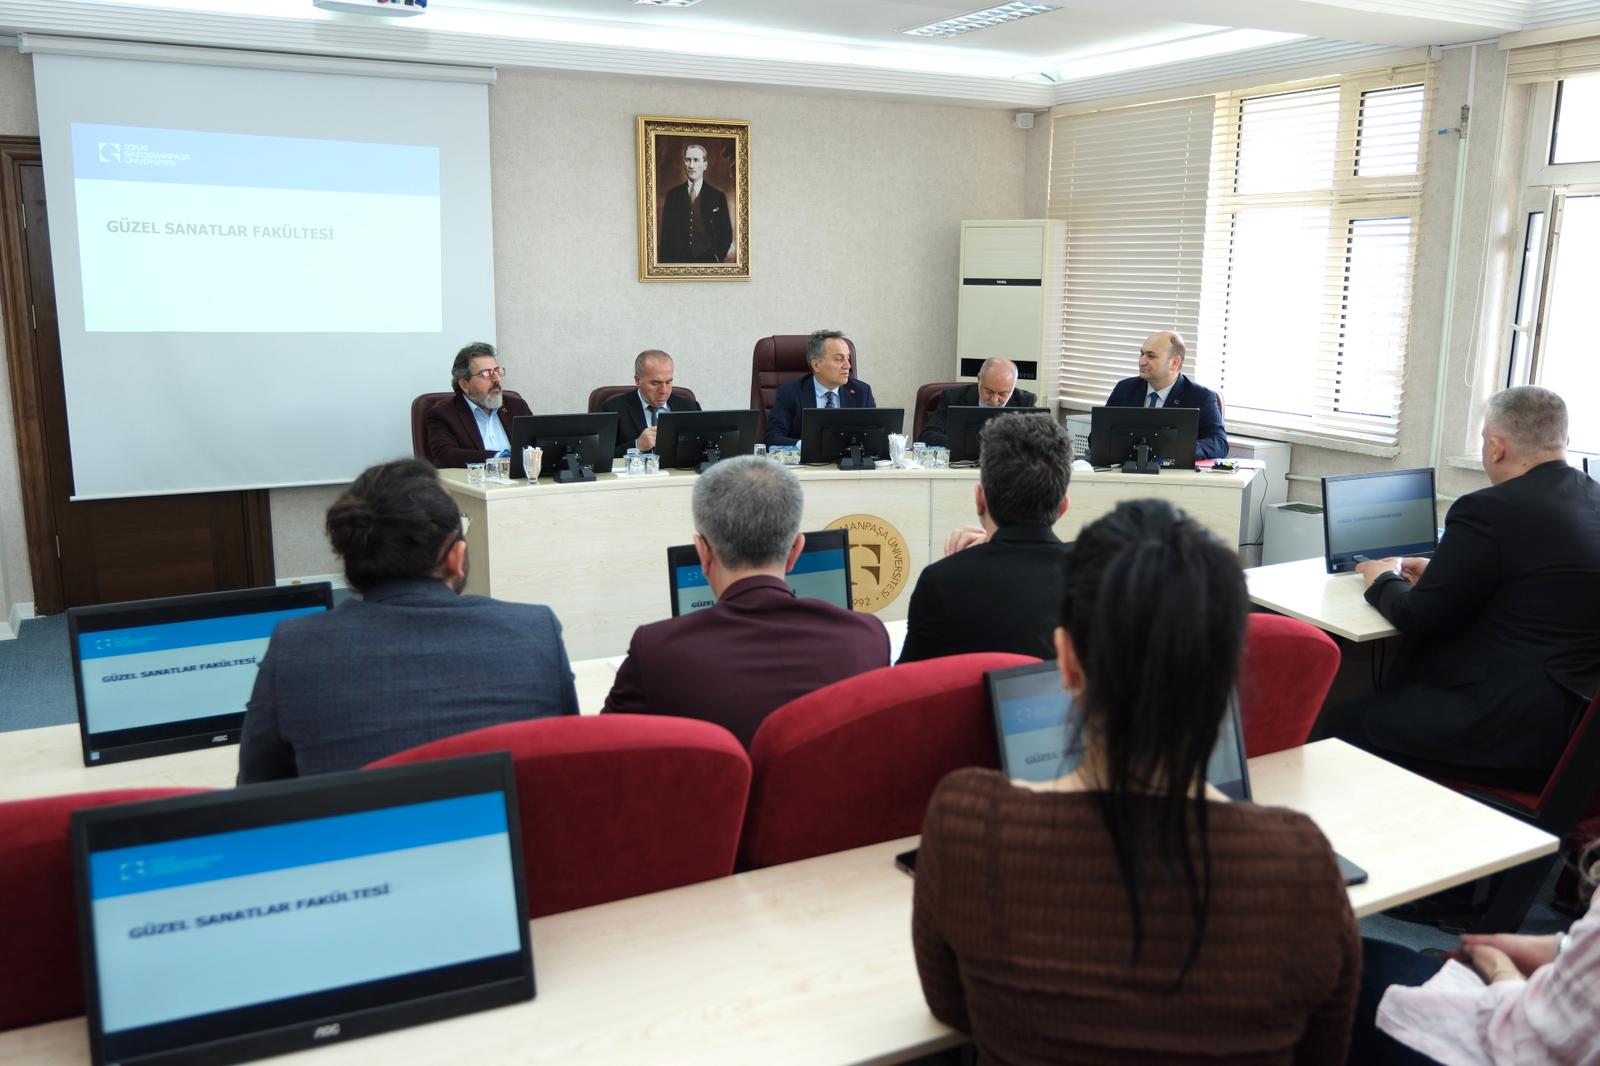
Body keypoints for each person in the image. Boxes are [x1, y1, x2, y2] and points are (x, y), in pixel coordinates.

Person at [912, 498, 1360, 1063]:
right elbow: (1323, 1054)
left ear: (1066, 660)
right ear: (1226, 669)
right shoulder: (1300, 864)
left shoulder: (967, 827)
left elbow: (955, 1009)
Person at [1314, 386, 1600, 791]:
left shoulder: (1488, 508)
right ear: (1564, 440)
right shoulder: (1592, 498)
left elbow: (1418, 617)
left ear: (1496, 447)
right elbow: (1542, 587)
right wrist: (1443, 572)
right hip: (1579, 732)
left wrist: (1381, 579)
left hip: (1507, 730)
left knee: (1338, 722)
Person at [238, 459, 578, 782]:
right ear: (456, 558)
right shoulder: (535, 632)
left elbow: (258, 795)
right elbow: (567, 774)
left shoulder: (294, 648)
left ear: (347, 556)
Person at [601, 455, 888, 747]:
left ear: (702, 552)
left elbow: (607, 754)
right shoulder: (867, 636)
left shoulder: (656, 652)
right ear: (796, 550)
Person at [1349, 843, 1600, 1064]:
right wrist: (1562, 947)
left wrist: (1498, 968)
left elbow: (1534, 1037)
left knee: (1346, 964)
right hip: (1538, 1018)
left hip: (1511, 1043)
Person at [898, 413, 1069, 663]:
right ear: (1063, 508)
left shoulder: (942, 581)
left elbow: (909, 680)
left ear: (980, 499)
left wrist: (968, 562)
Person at [1102, 330, 1227, 460]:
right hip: (1125, 468)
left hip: (1172, 471)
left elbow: (1219, 443)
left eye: (1151, 356)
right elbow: (1098, 435)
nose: (1141, 361)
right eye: (1142, 354)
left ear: (1175, 363)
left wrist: (1179, 449)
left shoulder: (1201, 397)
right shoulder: (1125, 389)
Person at [423, 341, 533, 469]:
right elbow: (445, 456)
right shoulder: (443, 414)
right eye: (486, 374)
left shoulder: (516, 406)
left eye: (497, 371)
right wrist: (500, 458)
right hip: (473, 481)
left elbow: (537, 444)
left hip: (519, 480)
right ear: (464, 385)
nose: (496, 379)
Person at [765, 329, 877, 447]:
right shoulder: (790, 393)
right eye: (839, 359)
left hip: (848, 458)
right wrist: (806, 446)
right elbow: (772, 437)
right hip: (806, 459)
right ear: (816, 365)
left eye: (848, 358)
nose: (848, 365)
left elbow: (874, 437)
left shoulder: (862, 392)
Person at [598, 349, 703, 457]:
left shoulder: (690, 408)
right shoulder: (613, 409)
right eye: (655, 383)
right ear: (638, 380)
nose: (664, 391)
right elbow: (599, 457)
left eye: (668, 382)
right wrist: (637, 445)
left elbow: (704, 450)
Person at [918, 357, 1038, 448]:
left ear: (1013, 387)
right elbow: (928, 436)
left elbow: (1039, 441)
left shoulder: (1025, 402)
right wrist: (971, 444)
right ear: (979, 379)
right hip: (960, 467)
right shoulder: (953, 398)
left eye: (1002, 394)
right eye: (989, 391)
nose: (994, 400)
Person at [658, 142, 733, 264]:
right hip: (678, 262)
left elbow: (726, 234)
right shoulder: (672, 195)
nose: (691, 165)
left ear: (705, 165)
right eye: (688, 160)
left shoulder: (718, 197)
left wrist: (717, 258)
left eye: (696, 160)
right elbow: (666, 236)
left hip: (708, 262)